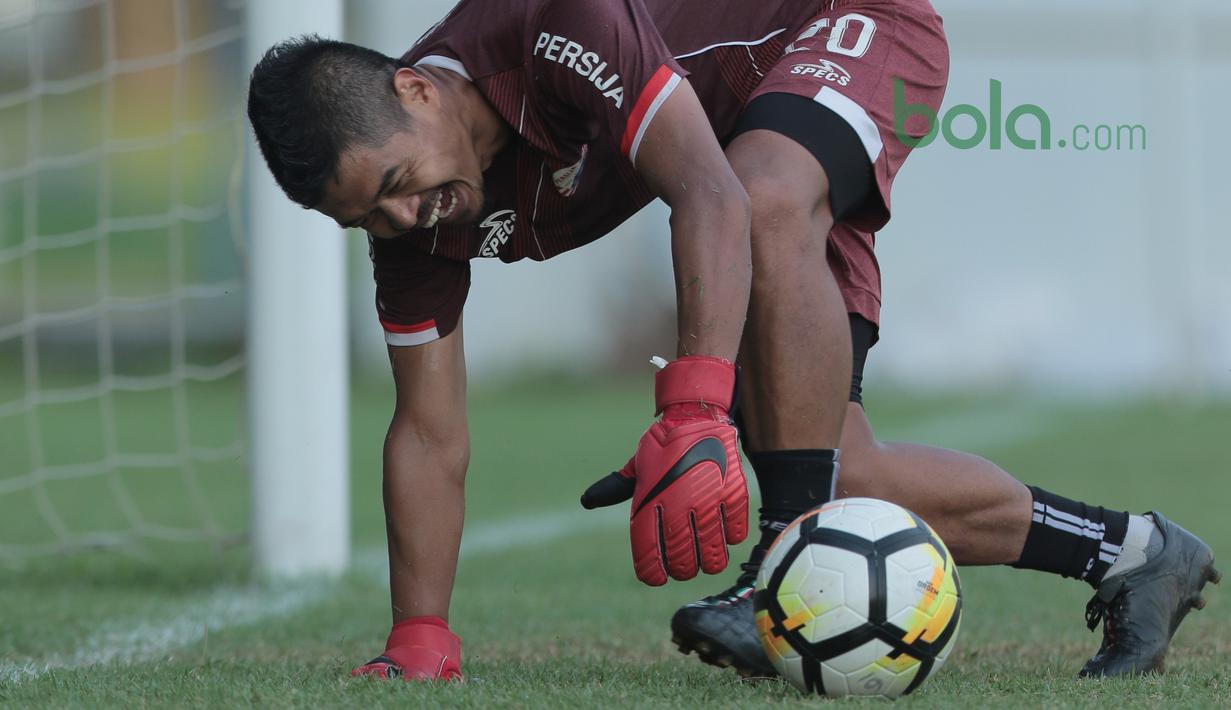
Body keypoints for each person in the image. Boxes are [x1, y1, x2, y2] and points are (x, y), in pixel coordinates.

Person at [246, 0, 1219, 683]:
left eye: (396, 182)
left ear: (416, 91)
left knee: (756, 198)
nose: (407, 216)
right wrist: (420, 634)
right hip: (753, 156)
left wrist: (693, 407)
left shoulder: (544, 21)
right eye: (369, 218)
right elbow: (426, 430)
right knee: (845, 475)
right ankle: (1134, 552)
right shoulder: (417, 232)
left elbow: (706, 191)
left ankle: (776, 567)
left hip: (855, 24)